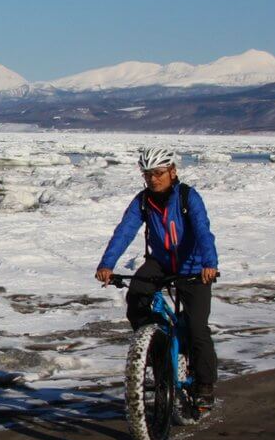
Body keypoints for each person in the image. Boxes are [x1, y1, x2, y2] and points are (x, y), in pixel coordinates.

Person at [93, 147, 221, 412]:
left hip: (193, 267)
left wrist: (210, 263)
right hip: (160, 263)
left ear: (172, 172)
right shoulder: (143, 201)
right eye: (148, 174)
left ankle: (204, 387)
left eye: (159, 173)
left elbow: (202, 230)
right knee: (136, 298)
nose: (153, 179)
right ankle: (156, 344)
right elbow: (125, 231)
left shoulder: (187, 197)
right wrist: (107, 263)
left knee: (197, 328)